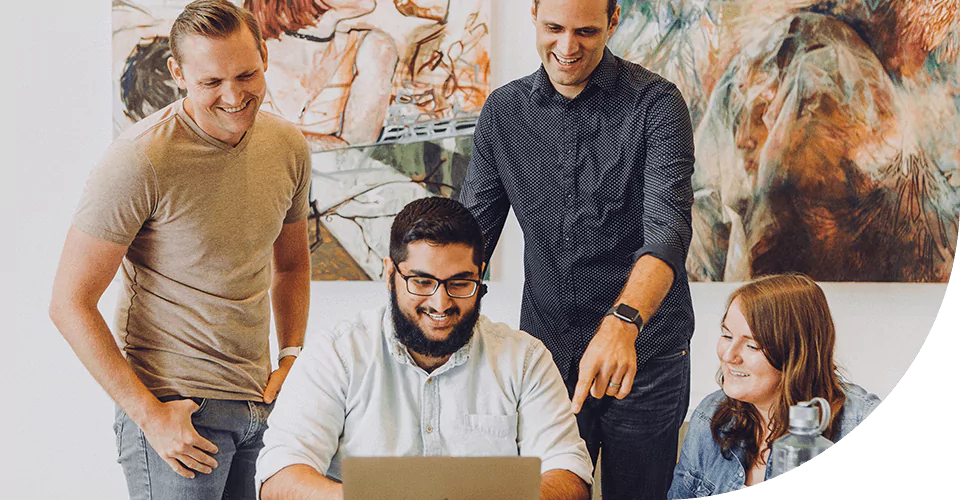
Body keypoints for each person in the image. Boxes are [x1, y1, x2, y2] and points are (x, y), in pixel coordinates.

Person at [48, 1, 312, 499]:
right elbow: (68, 302)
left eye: (246, 74)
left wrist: (292, 355)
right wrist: (149, 415)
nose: (234, 95)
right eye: (211, 82)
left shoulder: (288, 146)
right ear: (177, 72)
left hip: (260, 408)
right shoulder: (140, 158)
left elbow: (293, 263)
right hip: (177, 415)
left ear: (265, 58)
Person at [458, 0, 696, 498]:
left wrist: (624, 322)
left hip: (645, 353)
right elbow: (470, 239)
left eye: (586, 31)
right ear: (534, 15)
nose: (566, 48)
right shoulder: (503, 112)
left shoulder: (656, 104)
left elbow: (667, 232)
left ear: (613, 22)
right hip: (547, 357)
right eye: (554, 28)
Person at [256, 197, 593, 500]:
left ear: (480, 277)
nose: (441, 302)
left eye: (460, 283)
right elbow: (278, 476)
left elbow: (570, 473)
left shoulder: (524, 359)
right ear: (390, 274)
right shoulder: (336, 355)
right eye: (422, 281)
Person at [668, 273, 881, 499]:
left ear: (796, 354)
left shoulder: (858, 421)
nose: (729, 356)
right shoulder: (711, 414)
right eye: (727, 336)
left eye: (752, 346)